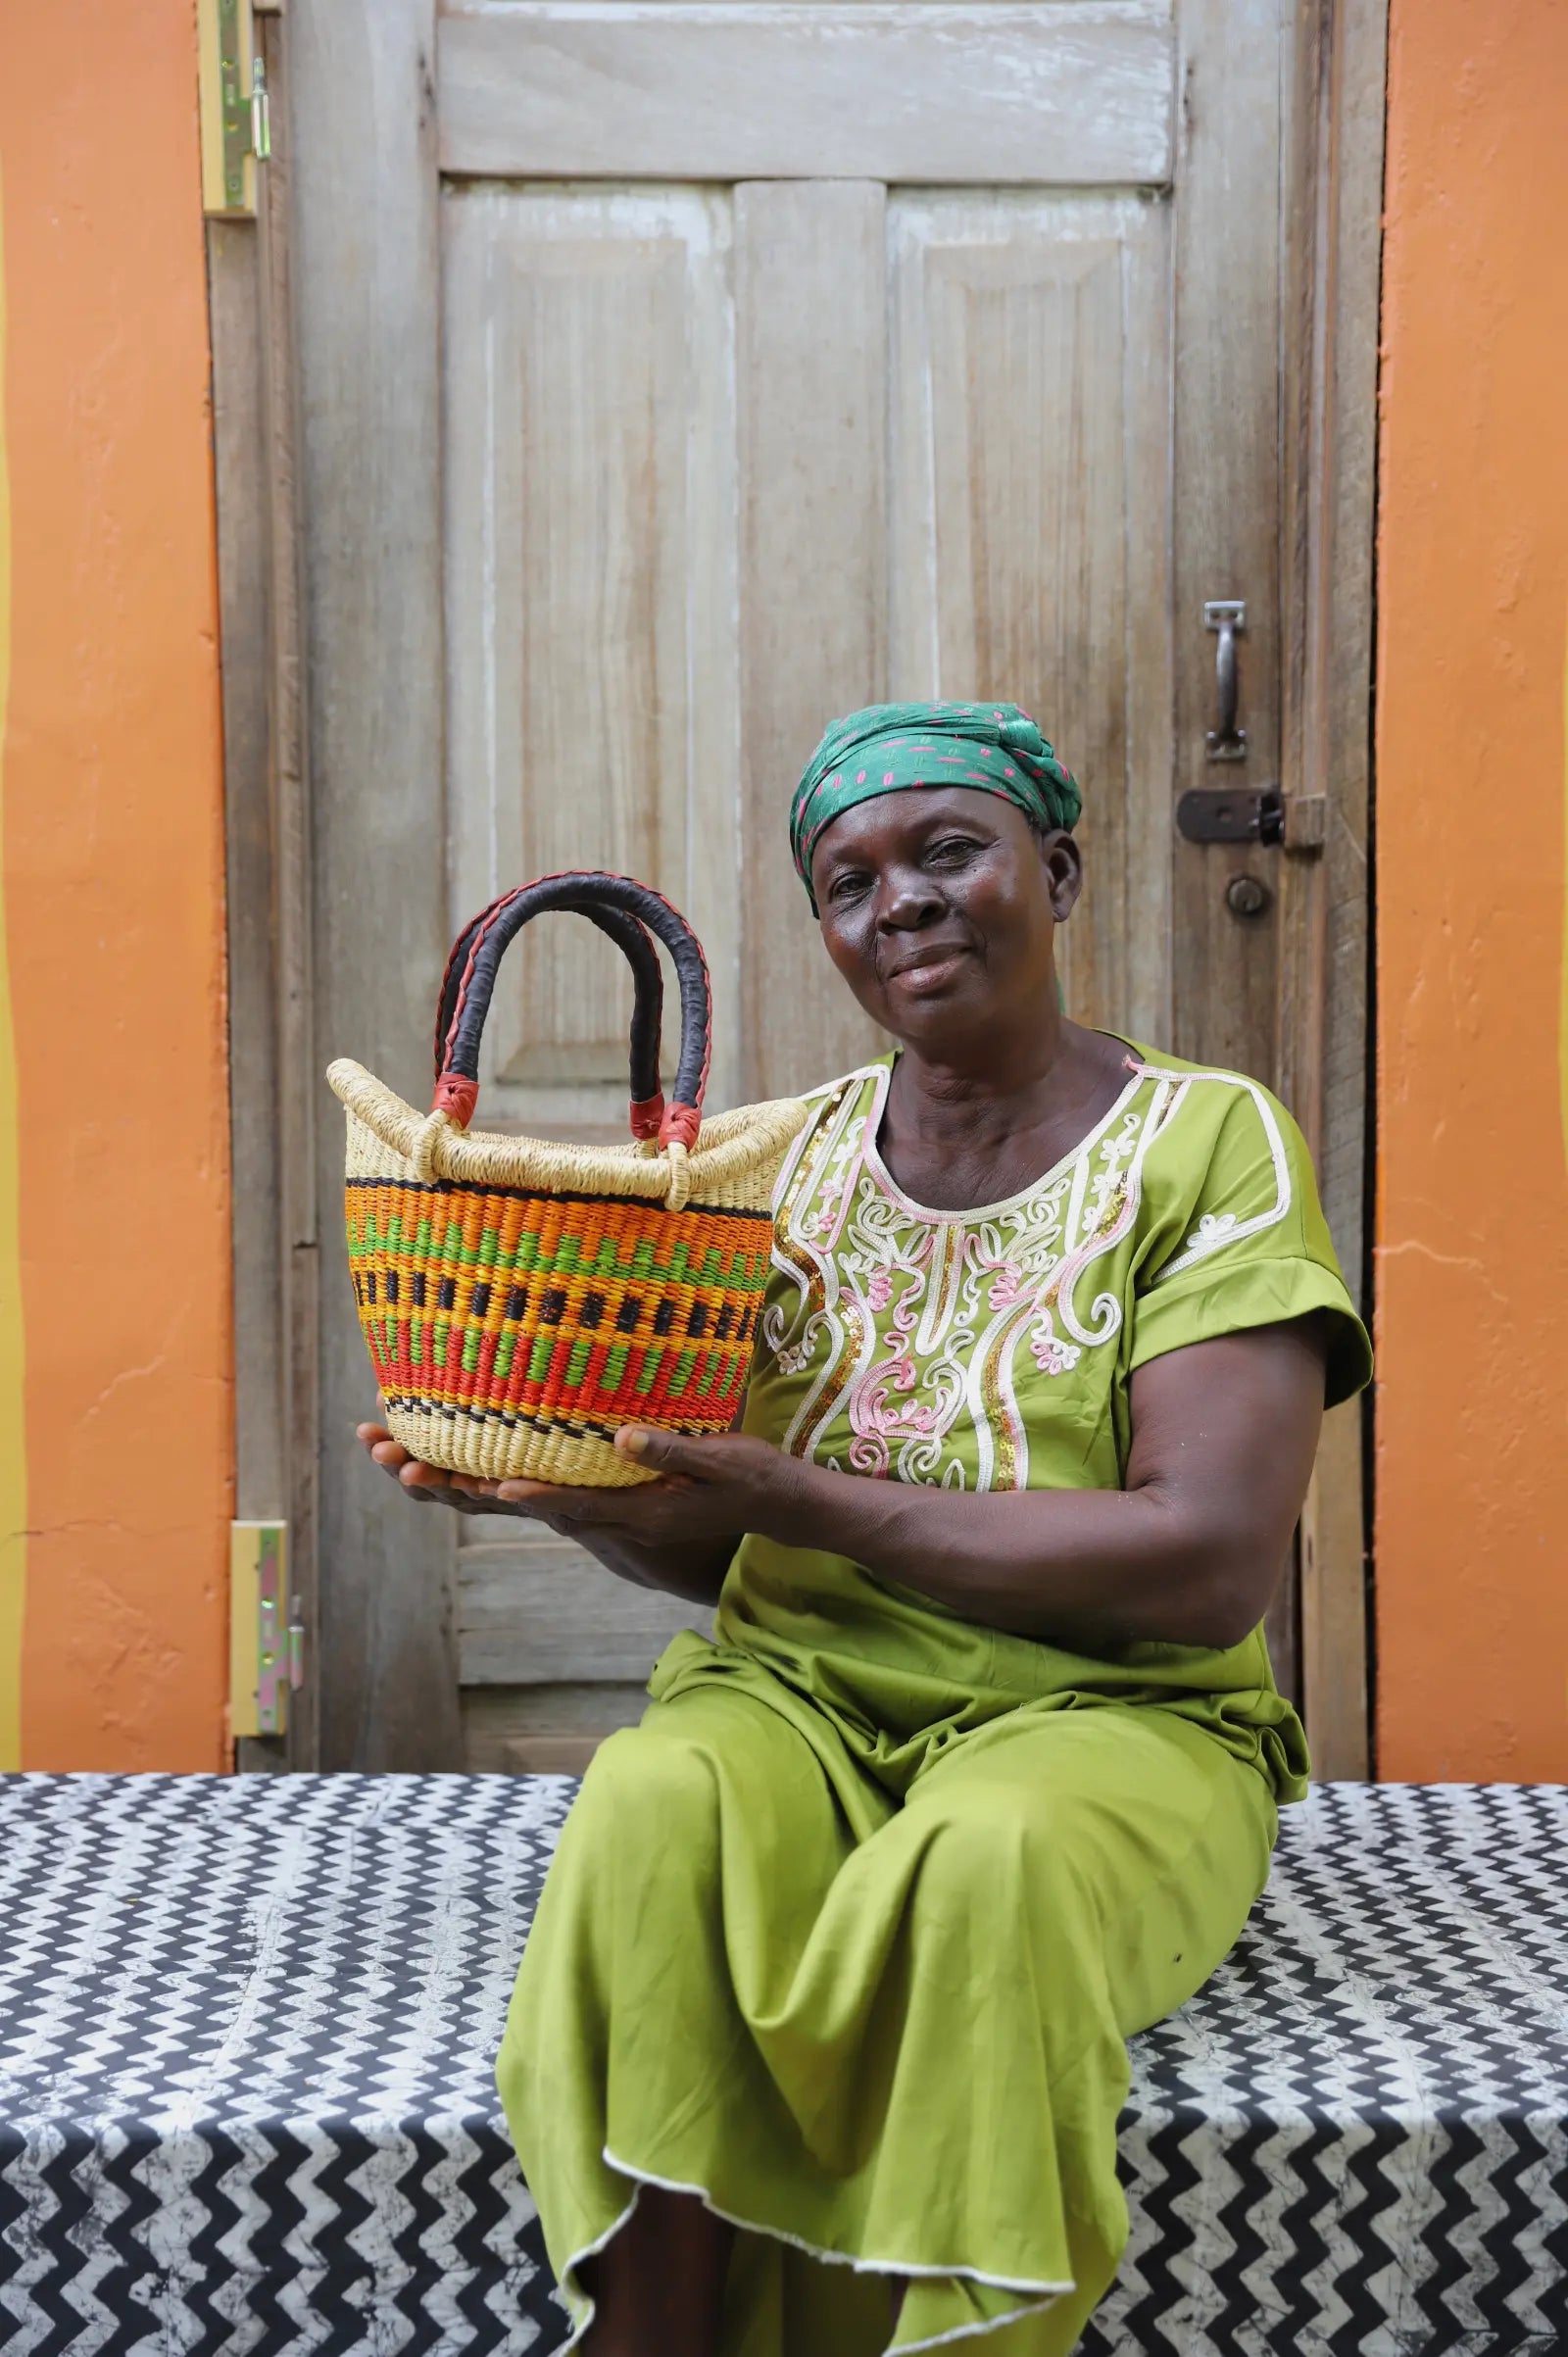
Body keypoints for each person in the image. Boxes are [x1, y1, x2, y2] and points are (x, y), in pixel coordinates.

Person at [359, 701, 1371, 2357]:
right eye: (850, 880)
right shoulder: (789, 1162)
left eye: (947, 851)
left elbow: (1203, 1568)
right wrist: (585, 1507)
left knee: (988, 1861)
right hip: (808, 1697)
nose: (897, 902)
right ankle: (654, 2333)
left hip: (1112, 1714)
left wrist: (804, 1497)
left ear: (1055, 869)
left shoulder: (1209, 1143)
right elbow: (727, 1537)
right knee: (654, 1798)